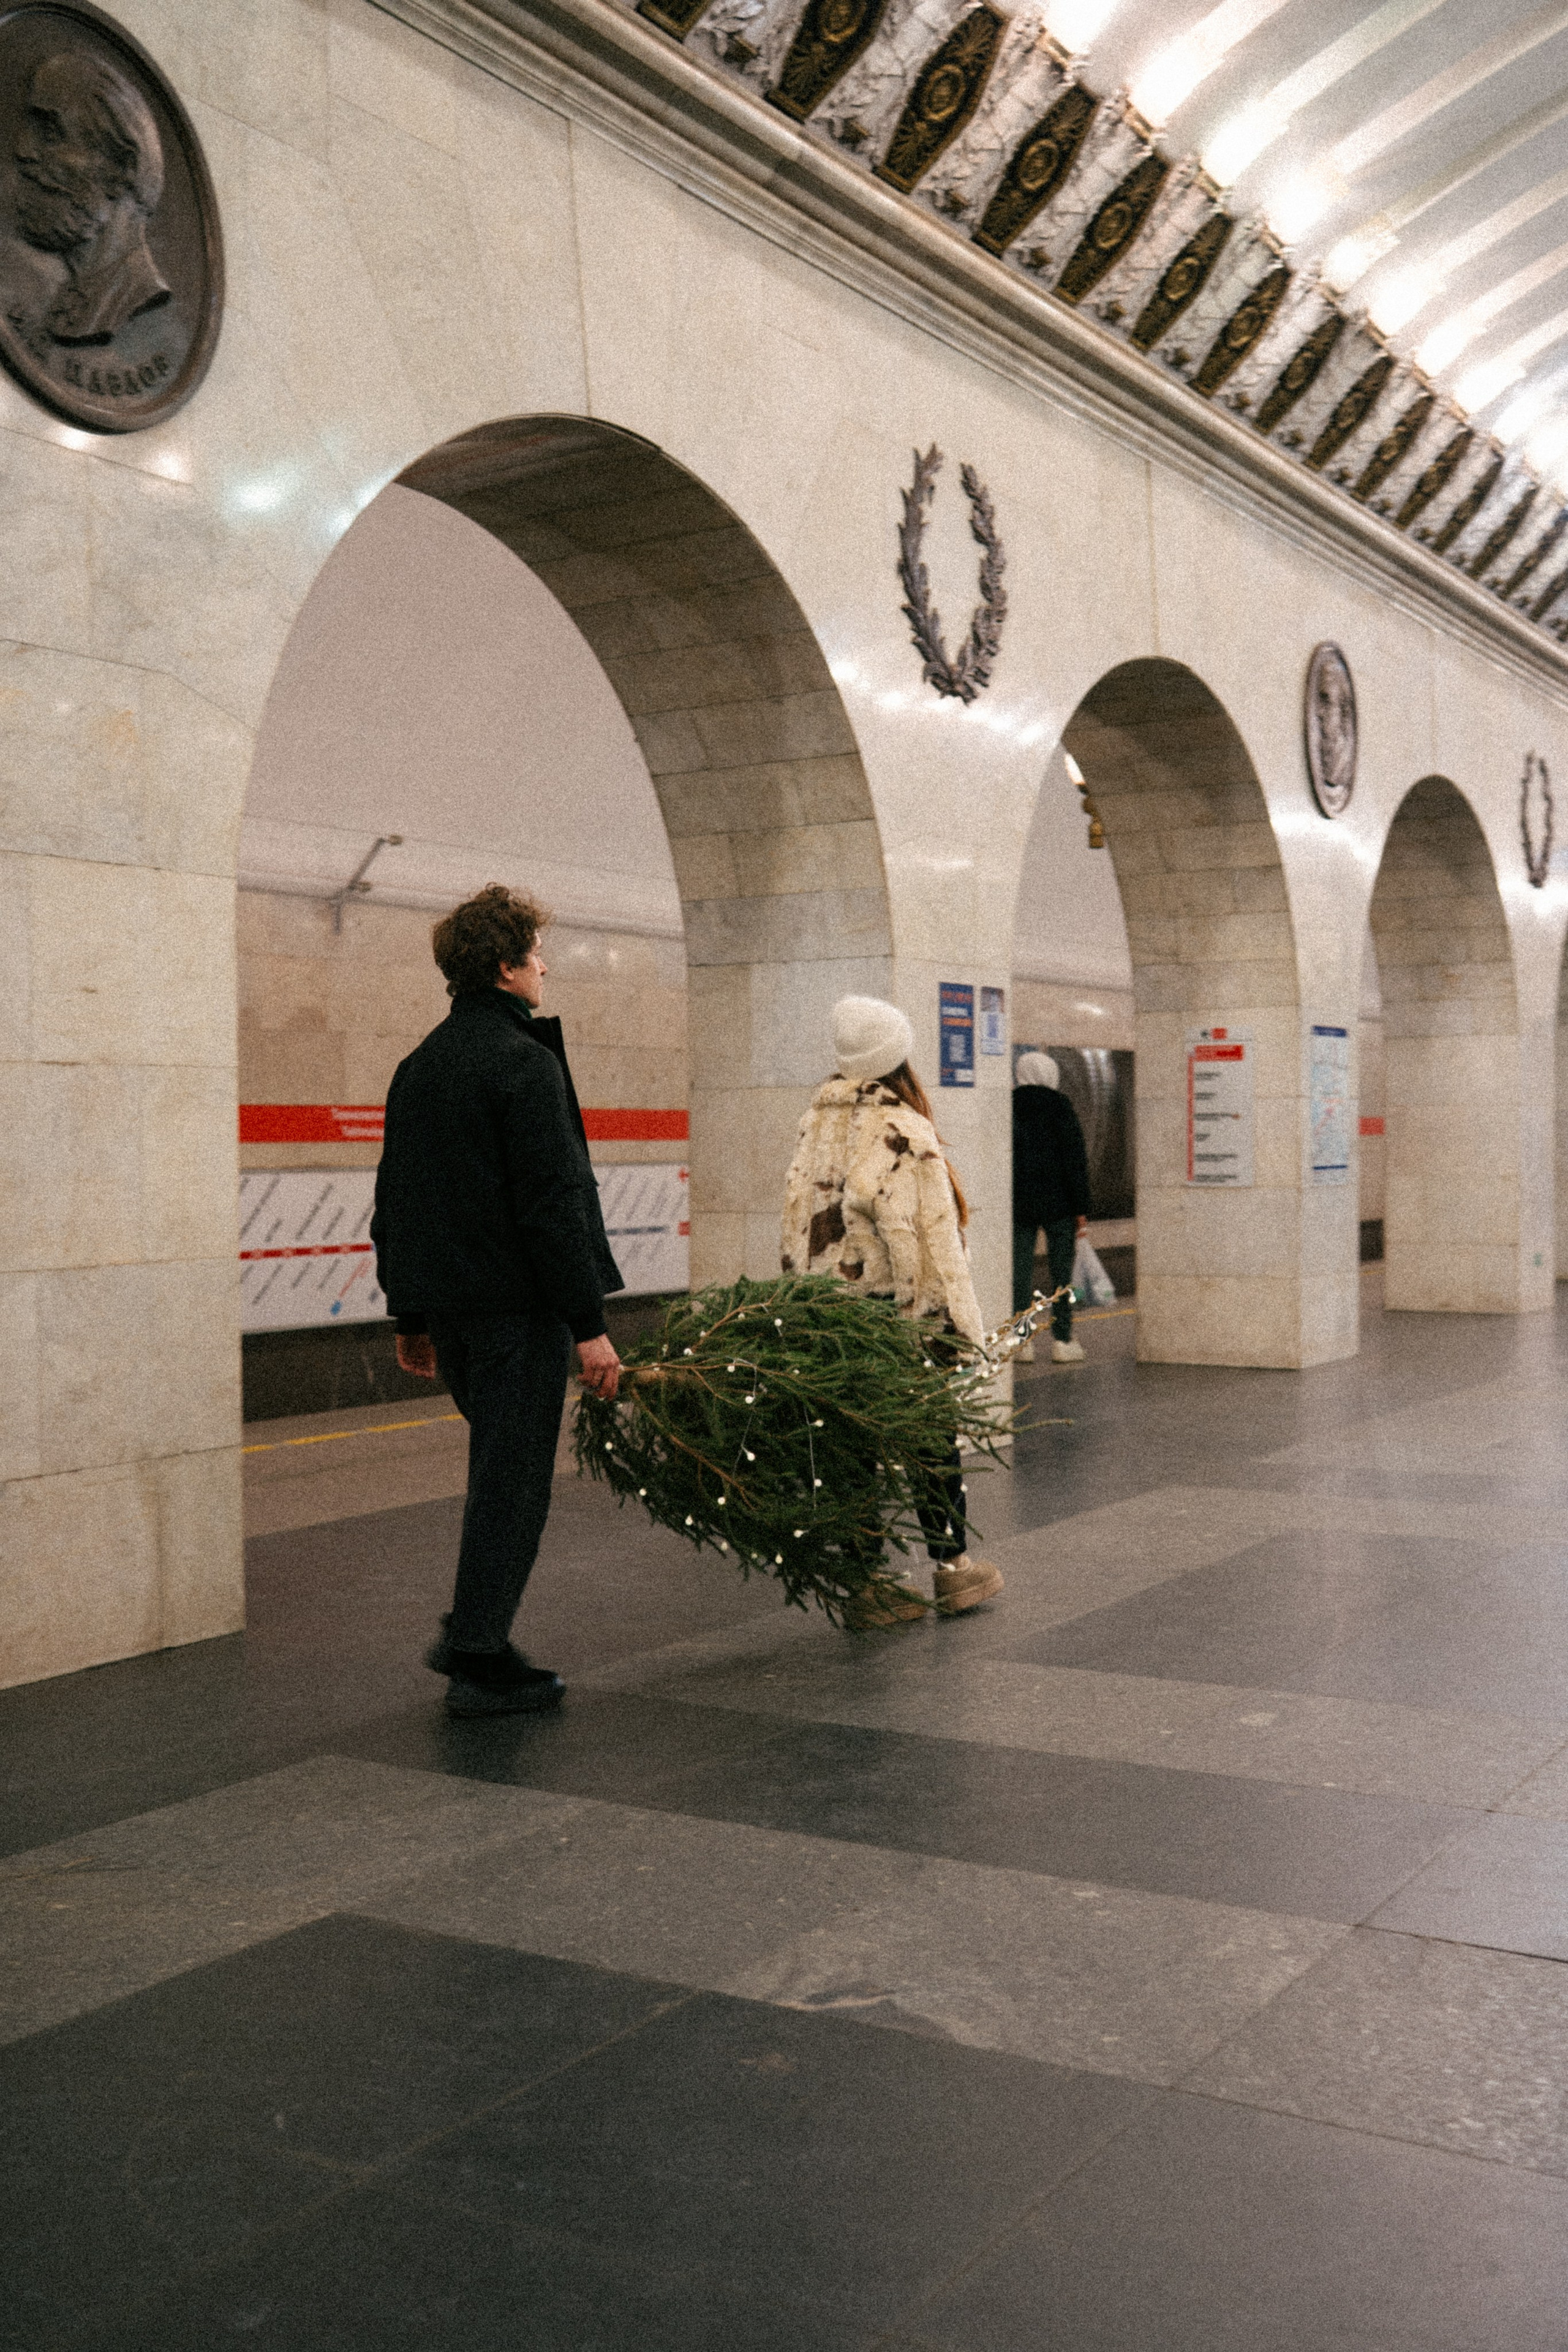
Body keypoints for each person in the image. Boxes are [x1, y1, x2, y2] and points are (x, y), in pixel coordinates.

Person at [371, 884, 624, 1717]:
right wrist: (590, 1328)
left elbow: (398, 1199)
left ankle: (475, 1632)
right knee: (513, 1484)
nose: (545, 966)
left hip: (452, 1314)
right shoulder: (524, 1063)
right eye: (535, 954)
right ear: (509, 968)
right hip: (518, 1317)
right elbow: (553, 1205)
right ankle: (477, 1654)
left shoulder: (422, 1064)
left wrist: (410, 1317)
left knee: (499, 1474)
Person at [780, 995, 1005, 1629]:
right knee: (930, 1438)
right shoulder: (903, 1131)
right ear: (896, 1059)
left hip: (827, 1316)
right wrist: (953, 1328)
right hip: (889, 1317)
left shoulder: (814, 1123)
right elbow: (931, 1245)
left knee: (848, 1444)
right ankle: (953, 1570)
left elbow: (797, 1228)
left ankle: (867, 1583)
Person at [1012, 1052, 1090, 1365]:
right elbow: (1075, 1162)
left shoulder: (1010, 1106)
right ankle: (1063, 1341)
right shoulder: (1062, 1107)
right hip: (1059, 1205)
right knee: (1061, 1275)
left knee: (1020, 1273)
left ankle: (1021, 1342)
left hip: (1019, 1202)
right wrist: (1081, 1209)